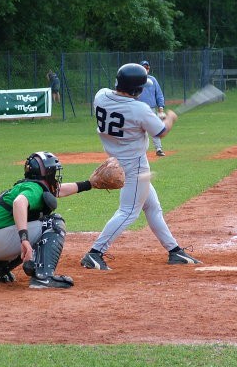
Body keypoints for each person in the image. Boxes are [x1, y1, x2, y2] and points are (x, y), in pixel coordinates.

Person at [80, 63, 201, 271]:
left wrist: (153, 120)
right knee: (128, 212)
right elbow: (161, 132)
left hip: (115, 161)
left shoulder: (101, 96)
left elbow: (137, 119)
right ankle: (94, 253)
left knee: (152, 207)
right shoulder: (140, 109)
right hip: (134, 166)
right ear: (138, 89)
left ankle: (174, 251)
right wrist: (170, 118)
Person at [0, 151, 96, 289]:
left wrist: (90, 184)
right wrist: (24, 239)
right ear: (46, 173)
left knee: (32, 228)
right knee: (53, 223)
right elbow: (19, 203)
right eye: (53, 172)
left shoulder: (31, 187)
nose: (55, 176)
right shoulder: (35, 189)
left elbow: (59, 190)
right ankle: (43, 278)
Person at [137, 60, 167, 157]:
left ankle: (158, 149)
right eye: (144, 67)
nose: (146, 69)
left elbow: (159, 94)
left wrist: (161, 107)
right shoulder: (135, 80)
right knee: (138, 131)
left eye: (147, 67)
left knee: (154, 129)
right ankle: (139, 151)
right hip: (138, 109)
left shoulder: (153, 80)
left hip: (151, 108)